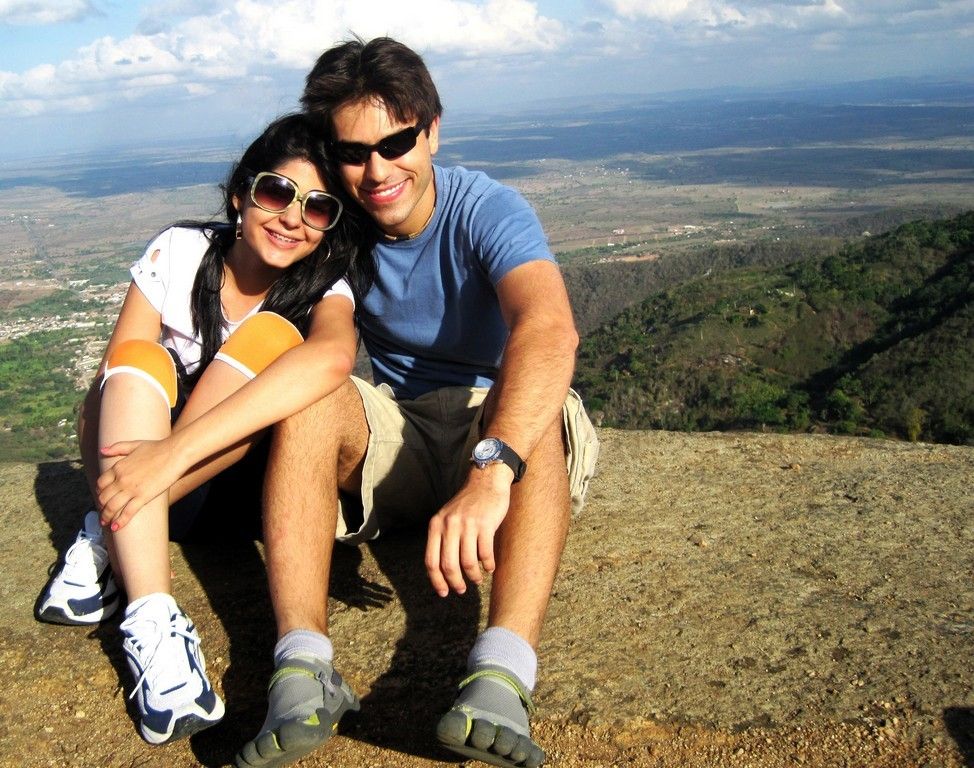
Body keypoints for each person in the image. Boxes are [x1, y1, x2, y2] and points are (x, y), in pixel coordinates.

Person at [234, 38, 599, 768]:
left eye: (397, 142)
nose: (377, 171)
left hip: (487, 420)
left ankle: (500, 676)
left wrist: (493, 472)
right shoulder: (336, 222)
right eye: (354, 153)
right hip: (397, 426)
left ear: (432, 130)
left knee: (543, 412)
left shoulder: (487, 209)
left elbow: (549, 328)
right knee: (312, 399)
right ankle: (304, 667)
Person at [36, 113, 372, 746]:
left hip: (240, 489)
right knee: (133, 361)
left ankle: (108, 533)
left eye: (319, 207)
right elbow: (113, 382)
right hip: (155, 492)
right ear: (241, 193)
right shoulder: (181, 251)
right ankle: (152, 624)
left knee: (274, 339)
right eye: (277, 192)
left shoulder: (326, 281)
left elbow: (332, 359)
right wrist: (148, 465)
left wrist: (167, 456)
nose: (292, 217)